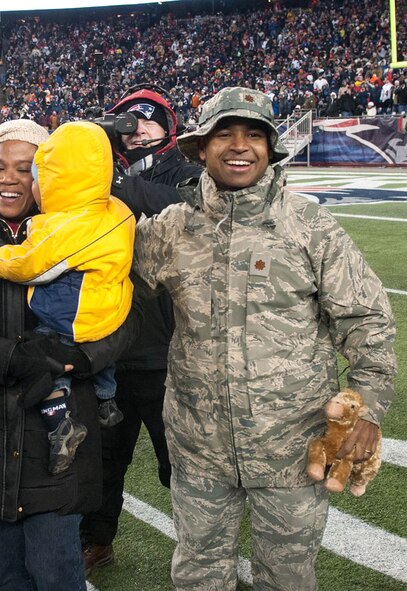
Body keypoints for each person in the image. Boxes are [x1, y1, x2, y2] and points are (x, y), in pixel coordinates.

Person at [133, 86, 396, 590]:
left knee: (288, 578)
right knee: (199, 575)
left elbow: (367, 322)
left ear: (270, 149)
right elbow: (105, 289)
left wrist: (368, 411)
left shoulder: (310, 226)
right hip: (198, 448)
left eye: (254, 134)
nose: (240, 146)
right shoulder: (172, 229)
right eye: (224, 135)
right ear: (201, 149)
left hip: (293, 448)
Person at [0, 119, 145, 591]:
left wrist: (78, 362)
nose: (10, 178)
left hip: (60, 433)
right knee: (4, 576)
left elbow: (126, 316)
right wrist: (10, 358)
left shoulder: (89, 227)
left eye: (25, 168)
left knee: (57, 573)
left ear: (47, 175)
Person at [79, 88, 203, 576]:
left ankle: (200, 548)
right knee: (104, 461)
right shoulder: (100, 175)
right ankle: (97, 540)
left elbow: (189, 209)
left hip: (167, 351)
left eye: (149, 122)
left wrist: (115, 185)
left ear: (169, 128)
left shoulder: (184, 173)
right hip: (108, 345)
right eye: (129, 123)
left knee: (183, 463)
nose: (139, 131)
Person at [0, 120, 135, 475]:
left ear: (54, 180)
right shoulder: (115, 208)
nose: (25, 183)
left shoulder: (66, 226)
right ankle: (106, 400)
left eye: (31, 174)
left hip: (75, 318)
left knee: (48, 362)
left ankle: (60, 423)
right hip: (113, 308)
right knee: (103, 364)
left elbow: (31, 266)